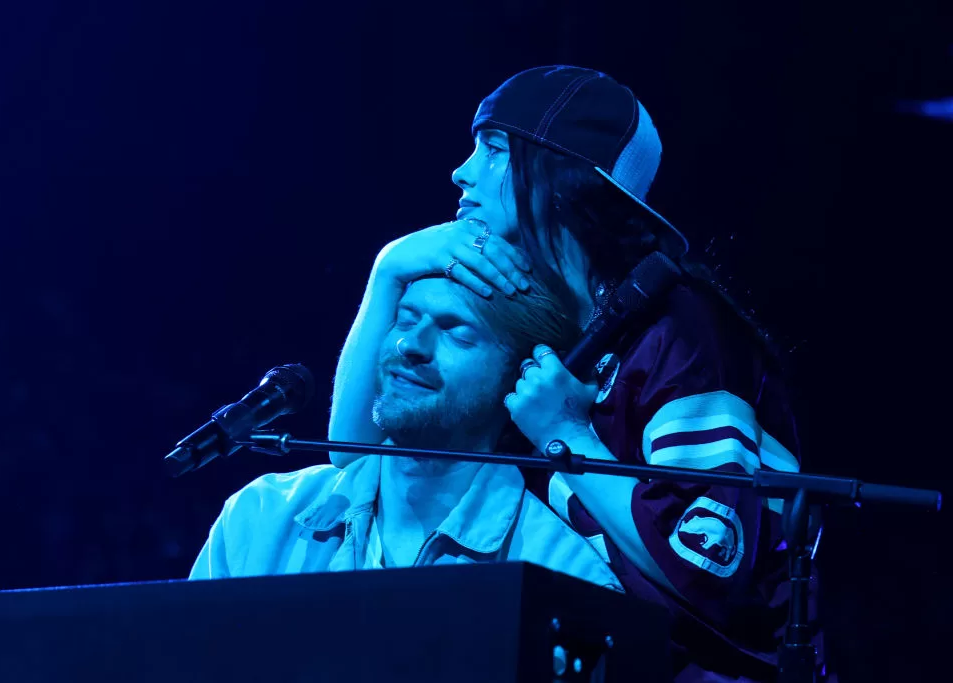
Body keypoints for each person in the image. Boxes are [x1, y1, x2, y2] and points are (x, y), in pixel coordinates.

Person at [328, 65, 827, 681]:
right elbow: (354, 460)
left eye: (491, 151)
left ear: (557, 173)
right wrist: (387, 271)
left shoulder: (679, 332)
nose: (460, 172)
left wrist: (566, 434)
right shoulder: (543, 324)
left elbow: (706, 565)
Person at [189, 273, 622, 594]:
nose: (409, 345)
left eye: (456, 331)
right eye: (404, 319)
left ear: (522, 374)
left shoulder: (563, 572)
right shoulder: (259, 515)